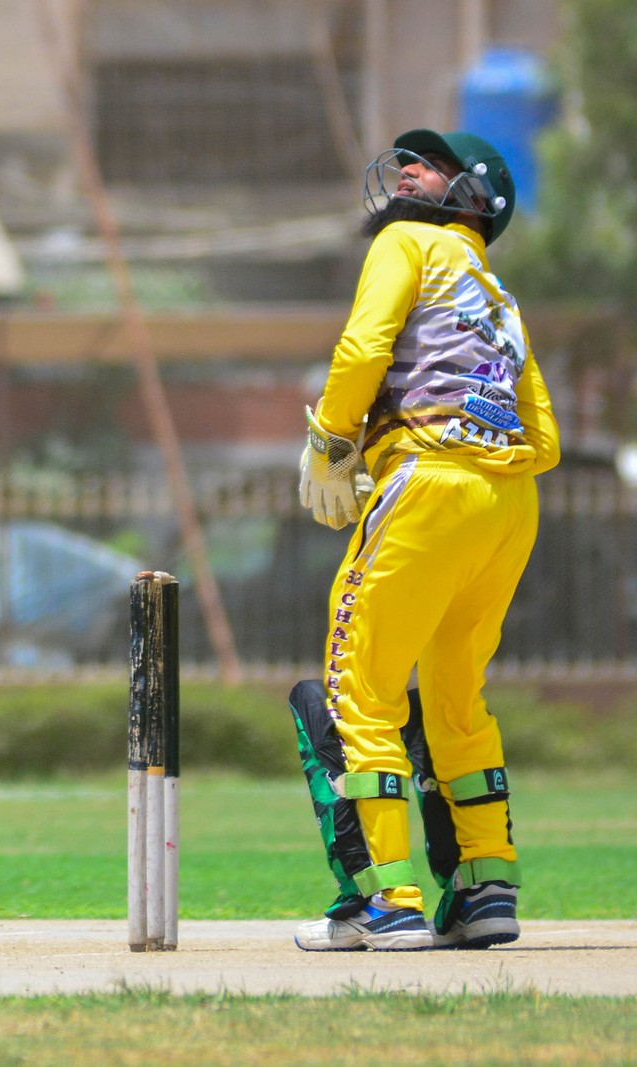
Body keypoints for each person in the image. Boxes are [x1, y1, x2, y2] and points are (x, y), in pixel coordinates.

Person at [292, 130, 559, 951]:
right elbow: (545, 434)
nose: (408, 169)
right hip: (510, 500)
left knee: (359, 687)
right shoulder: (497, 292)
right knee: (455, 701)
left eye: (432, 163)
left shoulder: (407, 240)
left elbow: (364, 344)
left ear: (472, 197)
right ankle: (485, 889)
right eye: (409, 158)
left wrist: (333, 440)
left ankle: (390, 901)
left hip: (430, 482)